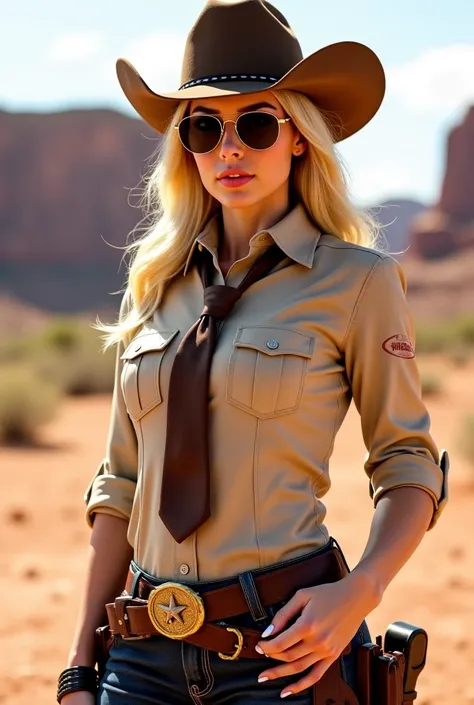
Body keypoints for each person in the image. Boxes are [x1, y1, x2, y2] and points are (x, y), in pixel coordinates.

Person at [58, 1, 449, 703]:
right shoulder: (151, 285)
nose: (228, 149)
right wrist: (80, 665)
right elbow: (119, 484)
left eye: (256, 125)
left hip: (287, 649)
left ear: (299, 136)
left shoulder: (358, 281)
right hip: (141, 656)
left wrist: (360, 590)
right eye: (204, 128)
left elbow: (408, 462)